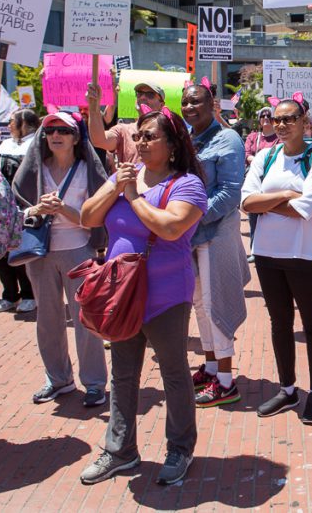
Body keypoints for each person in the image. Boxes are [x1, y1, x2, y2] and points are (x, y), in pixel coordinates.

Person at [77, 108, 206, 486]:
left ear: (172, 144)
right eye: (139, 136)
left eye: (150, 136)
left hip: (165, 295)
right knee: (123, 373)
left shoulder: (187, 185)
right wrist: (116, 186)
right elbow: (87, 217)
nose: (140, 142)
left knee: (174, 373)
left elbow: (170, 227)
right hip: (120, 294)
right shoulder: (124, 178)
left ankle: (180, 448)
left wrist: (132, 196)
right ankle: (120, 451)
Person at [240, 97, 312, 425]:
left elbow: (308, 207)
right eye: (277, 120)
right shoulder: (266, 156)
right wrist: (284, 197)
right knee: (280, 324)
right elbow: (246, 202)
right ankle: (288, 388)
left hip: (306, 253)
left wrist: (267, 203)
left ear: (304, 121)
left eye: (289, 119)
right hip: (267, 253)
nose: (281, 125)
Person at [13, 112, 109, 407]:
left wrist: (64, 209)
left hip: (79, 250)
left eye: (63, 131)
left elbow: (99, 217)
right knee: (48, 319)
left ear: (75, 137)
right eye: (50, 130)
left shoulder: (87, 170)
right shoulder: (34, 170)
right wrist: (37, 210)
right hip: (40, 253)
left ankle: (94, 383)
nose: (55, 135)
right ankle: (58, 379)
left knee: (86, 320)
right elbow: (16, 212)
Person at [181, 83, 250, 408]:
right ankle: (209, 368)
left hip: (216, 234)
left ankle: (225, 380)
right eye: (185, 102)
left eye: (196, 100)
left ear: (211, 104)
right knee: (198, 303)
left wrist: (189, 218)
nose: (190, 106)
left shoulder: (228, 139)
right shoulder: (187, 140)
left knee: (215, 304)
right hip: (191, 237)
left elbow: (230, 194)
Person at [0, 109, 40, 314]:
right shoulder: (5, 144)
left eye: (12, 121)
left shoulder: (36, 144)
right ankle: (10, 294)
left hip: (23, 205)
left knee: (19, 251)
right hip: (1, 206)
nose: (9, 125)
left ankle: (29, 294)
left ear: (24, 123)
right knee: (0, 252)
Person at [86, 79, 166, 165]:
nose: (142, 97)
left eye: (150, 95)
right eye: (139, 93)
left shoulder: (169, 132)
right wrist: (93, 106)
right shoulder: (123, 130)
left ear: (161, 105)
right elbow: (100, 141)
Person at [244, 107, 279, 256]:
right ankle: (254, 250)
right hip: (256, 179)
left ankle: (273, 249)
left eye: (269, 115)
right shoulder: (253, 136)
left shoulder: (279, 138)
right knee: (254, 215)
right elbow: (246, 154)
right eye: (262, 115)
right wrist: (259, 162)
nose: (265, 118)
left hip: (272, 179)